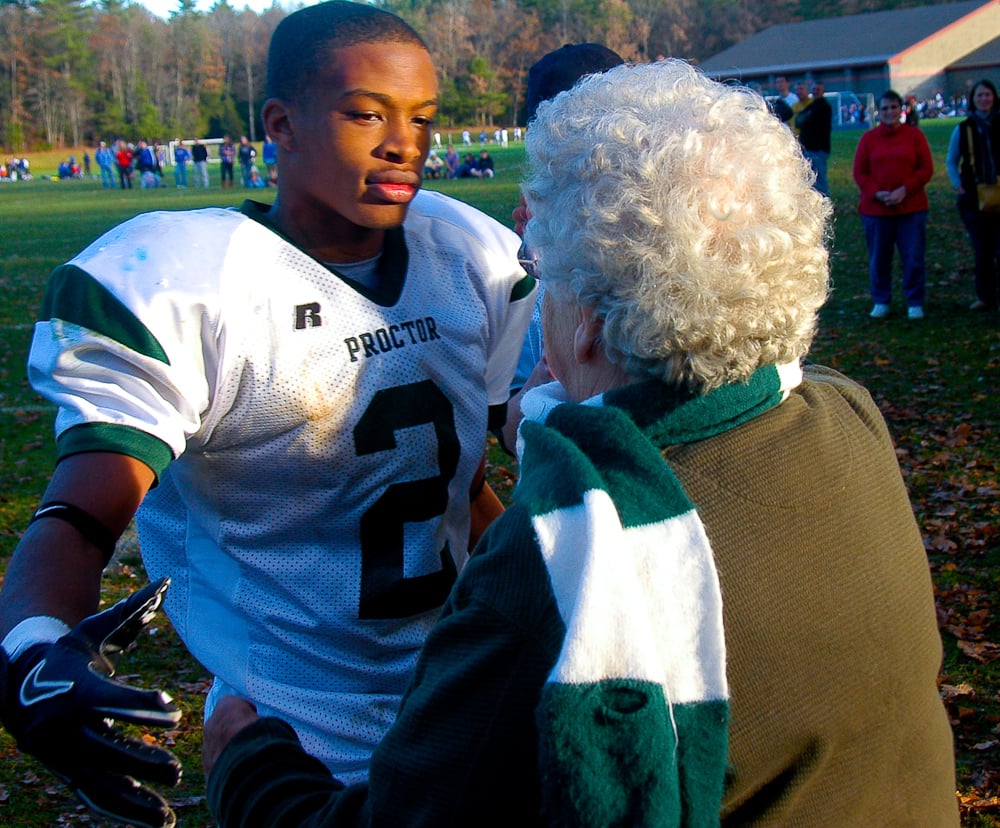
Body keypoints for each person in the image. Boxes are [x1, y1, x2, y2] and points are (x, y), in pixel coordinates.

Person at [204, 59, 960, 828]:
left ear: (594, 321)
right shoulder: (844, 412)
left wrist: (247, 764)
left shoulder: (568, 561)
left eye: (544, 273)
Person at [0, 4, 534, 827]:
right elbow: (80, 512)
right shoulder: (200, 282)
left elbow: (458, 489)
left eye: (422, 118)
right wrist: (35, 644)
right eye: (367, 113)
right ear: (280, 123)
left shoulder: (469, 256)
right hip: (293, 726)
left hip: (464, 686)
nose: (405, 143)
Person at [853, 89, 934, 320]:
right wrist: (876, 193)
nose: (890, 112)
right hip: (876, 210)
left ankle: (914, 301)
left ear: (901, 110)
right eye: (885, 108)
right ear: (879, 111)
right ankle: (881, 299)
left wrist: (904, 190)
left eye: (894, 107)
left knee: (913, 256)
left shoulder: (915, 136)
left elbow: (926, 169)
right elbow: (860, 172)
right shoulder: (869, 139)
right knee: (879, 257)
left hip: (911, 208)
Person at [946, 78, 1000, 311]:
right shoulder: (964, 127)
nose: (984, 99)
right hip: (973, 198)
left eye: (987, 95)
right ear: (973, 100)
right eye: (980, 95)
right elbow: (951, 160)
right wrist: (958, 184)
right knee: (982, 250)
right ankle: (985, 296)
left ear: (994, 97)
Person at [795, 80, 832, 196]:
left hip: (817, 149)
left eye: (818, 89)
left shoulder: (824, 107)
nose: (816, 92)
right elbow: (798, 121)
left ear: (823, 91)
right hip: (808, 148)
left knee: (819, 181)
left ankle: (824, 203)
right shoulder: (811, 106)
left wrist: (806, 119)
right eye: (814, 89)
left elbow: (811, 121)